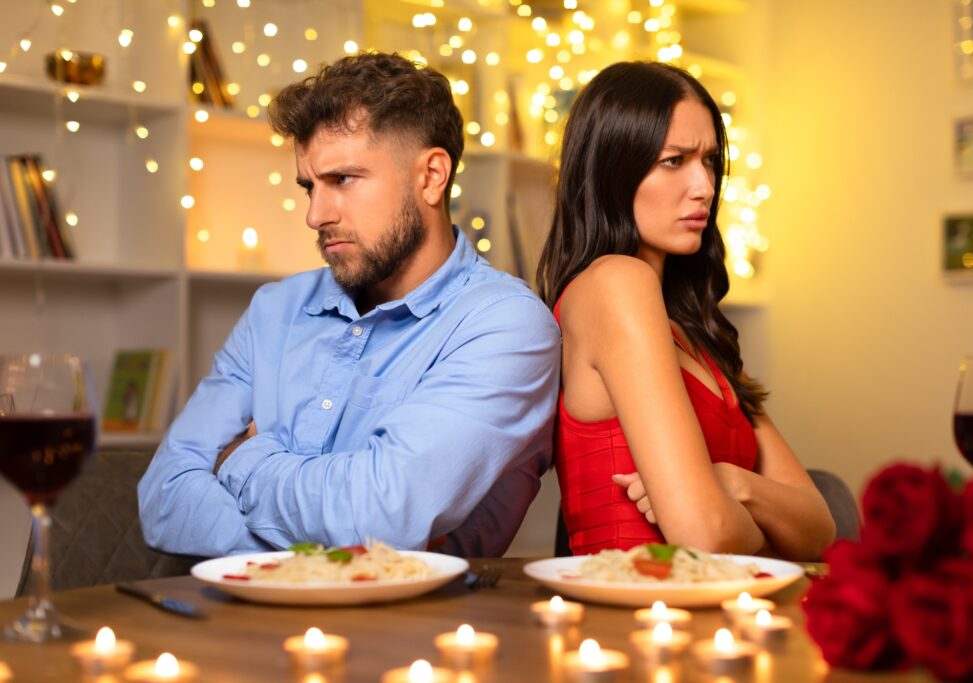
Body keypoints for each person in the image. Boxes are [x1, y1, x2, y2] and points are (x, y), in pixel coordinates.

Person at [139, 53, 561, 558]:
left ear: (431, 176)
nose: (316, 214)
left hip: (413, 634)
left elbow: (379, 516)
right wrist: (321, 551)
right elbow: (163, 497)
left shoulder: (504, 326)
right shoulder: (276, 309)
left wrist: (240, 459)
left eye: (343, 180)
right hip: (236, 625)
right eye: (308, 187)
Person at [536, 61, 835, 561]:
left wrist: (734, 485)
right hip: (634, 625)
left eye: (710, 161)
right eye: (674, 161)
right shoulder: (614, 284)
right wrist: (763, 534)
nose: (704, 186)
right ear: (614, 169)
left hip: (719, 622)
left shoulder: (694, 330)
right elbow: (705, 535)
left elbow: (820, 526)